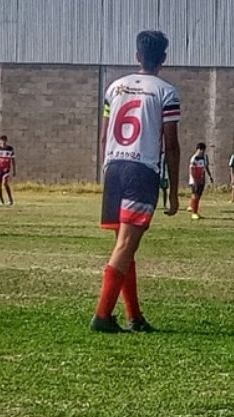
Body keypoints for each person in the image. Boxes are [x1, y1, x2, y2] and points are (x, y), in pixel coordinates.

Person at [91, 30, 181, 333]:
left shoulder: (115, 87)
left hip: (113, 166)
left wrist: (108, 167)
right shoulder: (166, 92)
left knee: (123, 246)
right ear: (164, 59)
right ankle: (102, 316)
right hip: (140, 170)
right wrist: (174, 193)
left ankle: (134, 317)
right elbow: (172, 144)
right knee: (127, 244)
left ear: (136, 56)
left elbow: (104, 135)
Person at [188, 142, 213, 220]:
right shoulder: (194, 158)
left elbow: (206, 167)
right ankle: (194, 213)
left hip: (201, 179)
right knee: (195, 195)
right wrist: (194, 180)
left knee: (198, 195)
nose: (202, 152)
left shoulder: (205, 157)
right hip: (194, 180)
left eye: (203, 150)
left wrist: (210, 176)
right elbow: (191, 170)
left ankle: (194, 208)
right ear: (197, 150)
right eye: (200, 150)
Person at [0, 135, 16, 206]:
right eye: (2, 141)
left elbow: (13, 160)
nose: (3, 142)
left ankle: (10, 199)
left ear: (6, 141)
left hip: (6, 169)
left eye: (4, 141)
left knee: (5, 182)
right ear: (0, 141)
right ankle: (1, 200)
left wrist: (14, 169)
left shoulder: (10, 149)